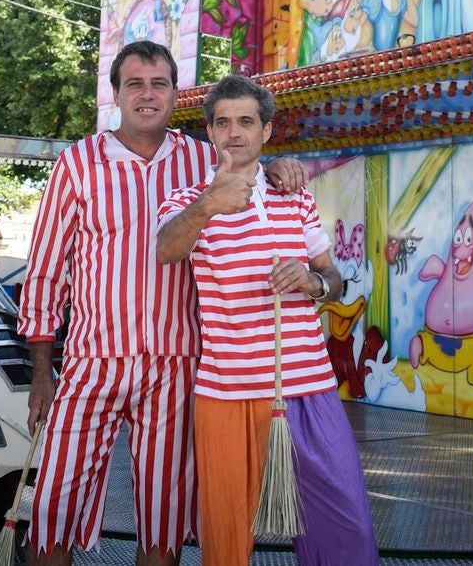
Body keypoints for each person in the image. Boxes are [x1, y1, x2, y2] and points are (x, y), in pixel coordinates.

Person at [19, 41, 304, 566]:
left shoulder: (204, 158)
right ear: (116, 94)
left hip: (177, 367)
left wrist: (283, 165)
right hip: (91, 363)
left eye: (159, 84)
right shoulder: (77, 164)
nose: (147, 95)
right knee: (51, 514)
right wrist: (42, 369)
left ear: (176, 94)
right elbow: (46, 269)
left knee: (163, 525)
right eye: (135, 84)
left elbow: (256, 168)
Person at [156, 75, 378, 566]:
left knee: (346, 524)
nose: (235, 133)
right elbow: (164, 249)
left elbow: (334, 280)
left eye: (246, 122)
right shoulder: (187, 201)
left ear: (266, 131)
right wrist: (210, 204)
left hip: (308, 388)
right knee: (227, 537)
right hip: (228, 392)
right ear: (210, 133)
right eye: (223, 123)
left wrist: (311, 282)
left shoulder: (292, 194)